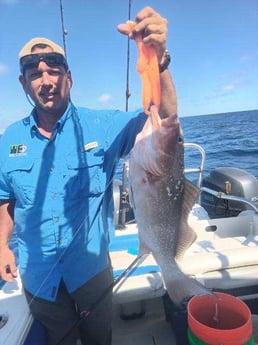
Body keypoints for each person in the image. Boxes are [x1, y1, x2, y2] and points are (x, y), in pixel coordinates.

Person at [0, 6, 177, 345]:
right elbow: (5, 197)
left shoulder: (105, 124)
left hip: (92, 273)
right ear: (23, 83)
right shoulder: (9, 139)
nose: (46, 80)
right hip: (38, 279)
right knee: (59, 338)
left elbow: (165, 121)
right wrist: (1, 247)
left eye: (54, 69)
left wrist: (159, 61)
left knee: (99, 338)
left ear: (69, 78)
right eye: (35, 74)